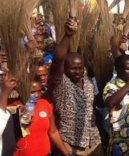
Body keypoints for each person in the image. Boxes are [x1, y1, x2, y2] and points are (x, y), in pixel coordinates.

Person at [46, 19, 103, 155]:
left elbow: (93, 106)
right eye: (73, 68)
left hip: (94, 143)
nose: (77, 71)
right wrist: (68, 36)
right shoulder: (61, 84)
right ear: (65, 68)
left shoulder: (88, 82)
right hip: (71, 146)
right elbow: (57, 61)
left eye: (80, 68)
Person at [13, 77, 69, 156]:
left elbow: (53, 132)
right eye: (32, 92)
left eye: (39, 91)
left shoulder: (45, 105)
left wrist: (66, 153)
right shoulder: (13, 108)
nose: (37, 95)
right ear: (22, 90)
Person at [103, 55, 129, 155]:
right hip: (120, 143)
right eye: (128, 68)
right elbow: (110, 103)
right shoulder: (111, 86)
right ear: (117, 69)